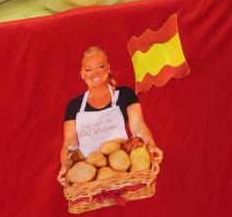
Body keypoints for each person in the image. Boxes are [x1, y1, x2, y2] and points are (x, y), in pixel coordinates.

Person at [58, 45, 160, 177]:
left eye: (100, 67)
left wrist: (150, 145)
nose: (95, 74)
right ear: (82, 74)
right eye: (89, 70)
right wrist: (65, 166)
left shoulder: (125, 94)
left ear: (108, 68)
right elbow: (70, 142)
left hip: (122, 174)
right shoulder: (74, 105)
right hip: (89, 179)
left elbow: (138, 126)